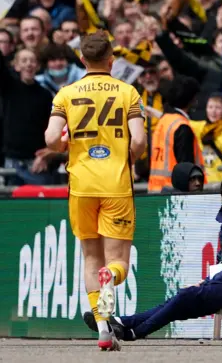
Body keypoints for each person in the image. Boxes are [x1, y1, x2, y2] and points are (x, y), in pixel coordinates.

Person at [44, 31, 146, 351]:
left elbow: (50, 140)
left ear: (82, 60)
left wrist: (63, 143)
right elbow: (139, 141)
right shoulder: (128, 92)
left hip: (81, 185)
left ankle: (103, 328)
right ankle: (110, 281)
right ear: (112, 60)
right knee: (117, 264)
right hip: (115, 183)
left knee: (91, 257)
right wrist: (129, 156)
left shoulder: (66, 94)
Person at [81, 174, 222, 342]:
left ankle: (132, 331)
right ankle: (125, 323)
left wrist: (207, 282)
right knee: (179, 301)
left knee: (185, 296)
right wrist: (207, 282)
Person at [2, 49, 56, 185]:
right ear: (16, 66)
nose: (29, 64)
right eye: (24, 61)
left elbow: (50, 127)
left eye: (32, 61)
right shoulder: (8, 88)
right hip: (11, 160)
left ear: (38, 66)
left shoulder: (45, 95)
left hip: (36, 161)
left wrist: (47, 154)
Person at [147, 76, 206, 193]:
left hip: (155, 191)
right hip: (176, 196)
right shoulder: (181, 126)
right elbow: (187, 168)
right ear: (192, 99)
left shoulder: (164, 120)